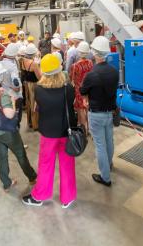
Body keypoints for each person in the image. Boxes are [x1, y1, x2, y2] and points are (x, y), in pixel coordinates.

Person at [22, 54, 77, 208]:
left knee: (46, 165)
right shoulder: (69, 88)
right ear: (60, 70)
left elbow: (40, 107)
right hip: (66, 132)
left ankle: (40, 196)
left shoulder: (39, 90)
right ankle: (68, 197)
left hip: (48, 134)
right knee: (67, 165)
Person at [0, 62, 37, 192]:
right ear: (1, 77)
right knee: (21, 154)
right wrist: (13, 102)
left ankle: (7, 183)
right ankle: (32, 177)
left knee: (1, 156)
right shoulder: (3, 95)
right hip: (7, 132)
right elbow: (9, 115)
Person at [80, 36, 119, 187]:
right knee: (109, 141)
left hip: (96, 114)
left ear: (94, 53)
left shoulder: (91, 75)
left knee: (100, 145)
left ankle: (105, 177)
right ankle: (108, 165)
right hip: (110, 113)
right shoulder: (114, 72)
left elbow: (83, 90)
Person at [70, 41, 93, 134]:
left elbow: (71, 78)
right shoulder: (90, 63)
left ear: (78, 52)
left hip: (79, 90)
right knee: (88, 109)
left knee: (80, 110)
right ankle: (90, 129)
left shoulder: (75, 66)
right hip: (89, 89)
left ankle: (84, 130)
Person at [0, 43, 23, 128]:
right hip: (15, 97)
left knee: (8, 117)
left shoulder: (0, 63)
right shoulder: (12, 67)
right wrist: (15, 87)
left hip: (5, 95)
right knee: (16, 119)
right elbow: (16, 86)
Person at [21, 44, 42, 130]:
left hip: (26, 84)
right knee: (35, 104)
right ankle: (36, 124)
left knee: (29, 103)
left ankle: (30, 122)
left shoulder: (22, 61)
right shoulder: (33, 64)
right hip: (33, 85)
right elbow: (39, 77)